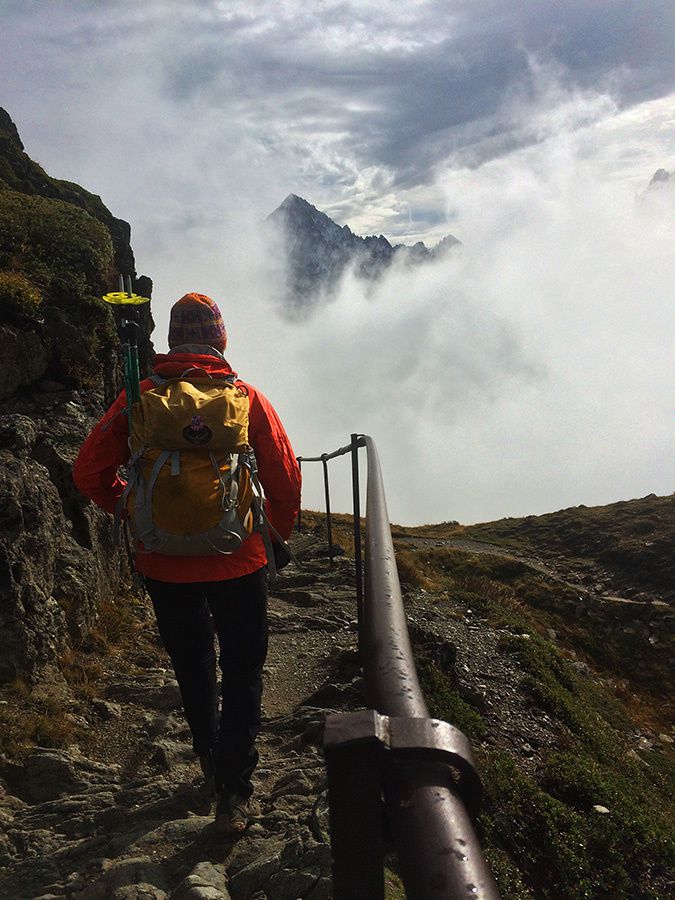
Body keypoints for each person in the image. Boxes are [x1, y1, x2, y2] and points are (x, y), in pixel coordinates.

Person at [73, 292, 301, 834]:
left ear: (171, 342)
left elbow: (88, 472)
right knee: (243, 667)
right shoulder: (244, 396)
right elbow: (285, 474)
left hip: (163, 559)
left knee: (193, 659)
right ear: (220, 338)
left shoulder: (139, 397)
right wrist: (273, 535)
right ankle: (233, 792)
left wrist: (131, 510)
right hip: (238, 557)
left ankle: (205, 756)